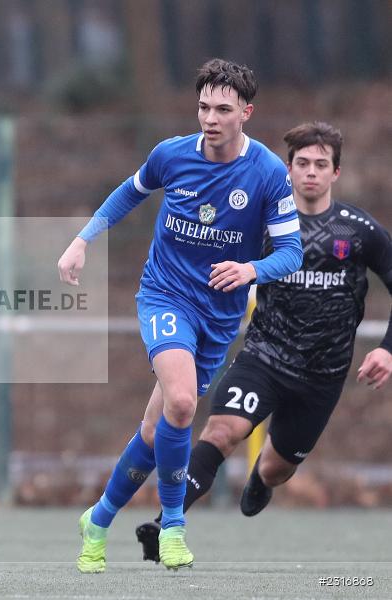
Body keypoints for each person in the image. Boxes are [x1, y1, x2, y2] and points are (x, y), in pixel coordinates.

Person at [57, 58, 304, 573]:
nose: (210, 118)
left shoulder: (267, 174)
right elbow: (130, 193)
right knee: (184, 402)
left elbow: (291, 253)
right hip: (165, 296)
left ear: (246, 113)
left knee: (157, 427)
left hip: (219, 315)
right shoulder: (170, 155)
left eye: (222, 109)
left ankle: (98, 520)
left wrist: (250, 269)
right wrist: (83, 240)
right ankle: (173, 525)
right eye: (203, 107)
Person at [135, 121, 392, 563]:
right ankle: (166, 526)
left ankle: (262, 479)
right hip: (265, 356)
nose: (311, 171)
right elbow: (209, 252)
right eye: (302, 163)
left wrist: (387, 347)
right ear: (287, 169)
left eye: (321, 164)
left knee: (276, 468)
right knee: (222, 430)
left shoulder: (360, 231)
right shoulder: (264, 221)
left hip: (323, 375)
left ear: (336, 172)